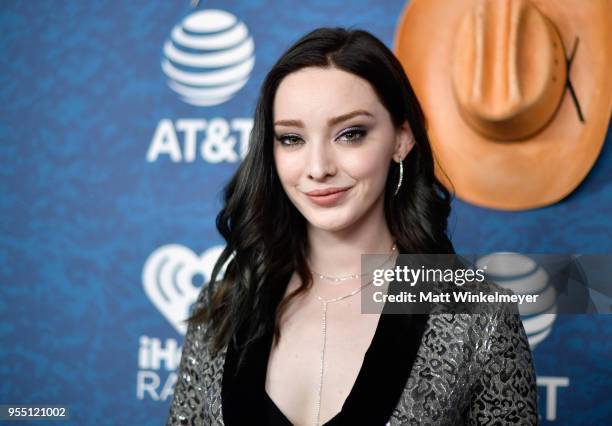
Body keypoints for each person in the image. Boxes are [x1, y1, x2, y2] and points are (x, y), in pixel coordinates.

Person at [166, 27, 538, 425]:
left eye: (350, 134)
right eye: (292, 139)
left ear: (401, 139)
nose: (318, 168)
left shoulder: (477, 315)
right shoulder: (223, 307)